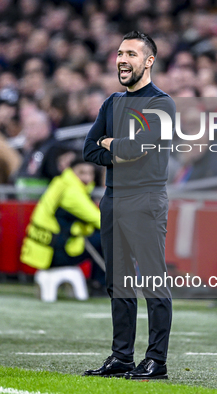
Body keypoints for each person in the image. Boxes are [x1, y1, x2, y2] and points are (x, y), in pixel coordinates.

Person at [83, 31, 175, 379]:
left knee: (153, 281)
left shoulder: (161, 103)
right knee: (117, 282)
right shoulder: (111, 103)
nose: (122, 60)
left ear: (148, 61)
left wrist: (114, 144)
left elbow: (139, 150)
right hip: (113, 199)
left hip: (146, 199)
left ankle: (157, 360)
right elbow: (89, 149)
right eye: (120, 53)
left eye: (131, 54)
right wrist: (117, 146)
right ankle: (121, 356)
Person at [20, 157, 104, 285]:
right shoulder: (72, 193)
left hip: (43, 251)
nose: (87, 178)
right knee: (109, 238)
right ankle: (101, 285)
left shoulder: (60, 183)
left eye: (90, 173)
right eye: (82, 172)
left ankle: (99, 283)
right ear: (71, 171)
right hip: (54, 253)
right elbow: (100, 221)